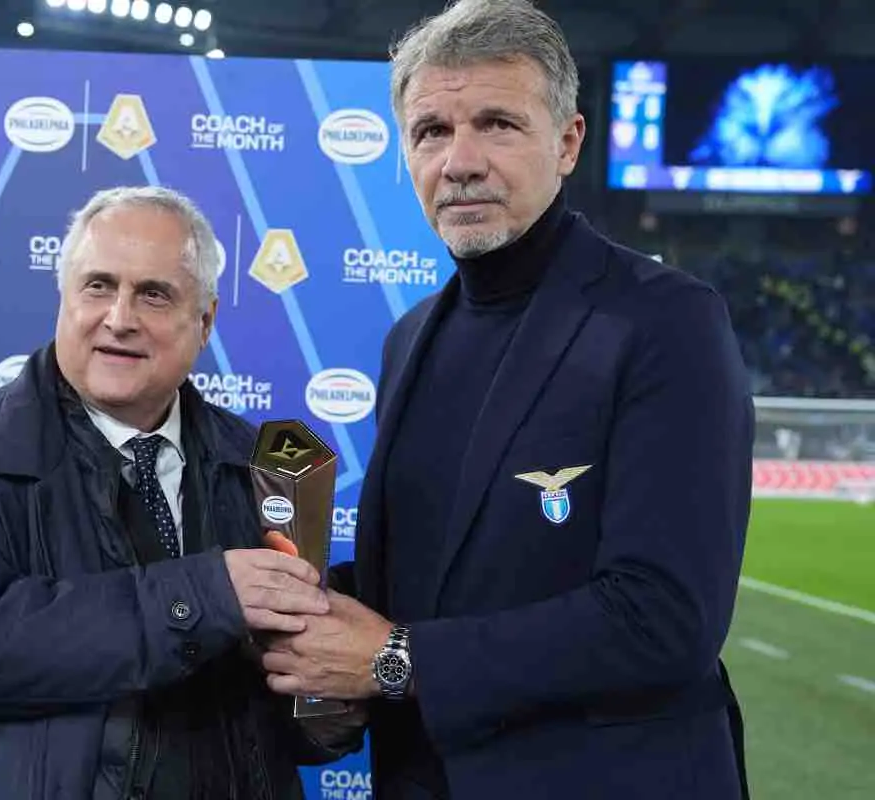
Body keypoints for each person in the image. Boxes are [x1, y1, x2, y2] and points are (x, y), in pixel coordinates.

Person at [258, 1, 755, 798]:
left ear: (568, 143)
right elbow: (441, 577)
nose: (460, 162)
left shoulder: (666, 320)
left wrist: (395, 660)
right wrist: (283, 597)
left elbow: (665, 617)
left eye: (497, 124)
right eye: (431, 131)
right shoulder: (409, 338)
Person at [0, 186, 359, 800]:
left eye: (154, 294)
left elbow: (287, 726)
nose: (120, 318)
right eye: (98, 286)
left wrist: (329, 702)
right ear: (64, 300)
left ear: (205, 322)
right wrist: (206, 595)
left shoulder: (269, 468)